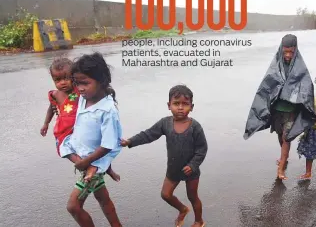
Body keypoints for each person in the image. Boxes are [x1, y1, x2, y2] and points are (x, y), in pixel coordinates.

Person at [120, 85, 208, 227]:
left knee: (193, 196)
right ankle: (183, 209)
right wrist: (130, 141)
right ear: (169, 105)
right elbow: (148, 134)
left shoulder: (195, 126)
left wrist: (193, 165)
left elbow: (202, 149)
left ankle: (199, 221)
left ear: (191, 107)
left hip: (191, 170)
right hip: (173, 168)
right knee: (165, 195)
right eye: (176, 103)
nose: (180, 107)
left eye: (185, 104)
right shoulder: (165, 123)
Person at [243, 34, 316, 180]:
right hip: (277, 110)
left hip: (291, 112)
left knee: (286, 137)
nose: (288, 55)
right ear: (281, 49)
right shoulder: (276, 66)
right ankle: (285, 157)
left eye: (291, 52)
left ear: (296, 50)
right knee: (280, 135)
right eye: (285, 52)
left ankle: (281, 167)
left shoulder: (300, 68)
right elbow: (267, 86)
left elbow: (306, 87)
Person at [64, 52, 123, 227]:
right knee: (103, 198)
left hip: (93, 165)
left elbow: (108, 144)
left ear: (102, 81)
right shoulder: (85, 98)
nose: (80, 88)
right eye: (77, 83)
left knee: (73, 206)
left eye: (85, 83)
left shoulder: (107, 110)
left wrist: (86, 162)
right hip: (87, 158)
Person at [40, 57, 120, 182]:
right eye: (57, 80)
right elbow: (51, 108)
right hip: (65, 129)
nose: (62, 83)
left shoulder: (79, 91)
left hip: (81, 126)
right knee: (65, 149)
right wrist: (46, 123)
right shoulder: (55, 95)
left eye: (66, 78)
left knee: (94, 148)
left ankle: (101, 168)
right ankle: (88, 166)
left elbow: (95, 88)